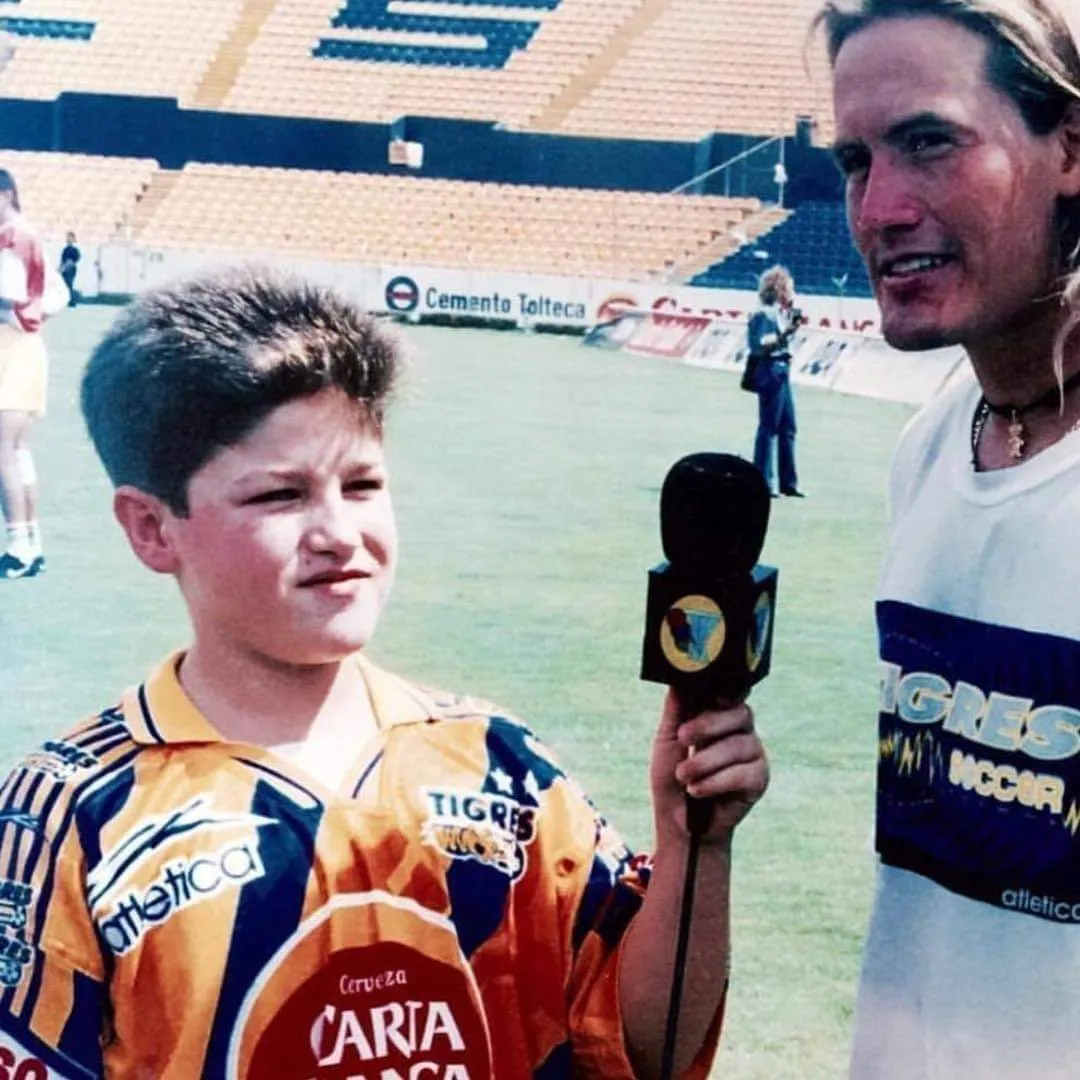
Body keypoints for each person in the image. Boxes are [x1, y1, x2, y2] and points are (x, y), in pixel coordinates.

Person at [0, 267, 768, 1078]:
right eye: (279, 496)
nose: (338, 532)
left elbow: (644, 1053)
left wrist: (694, 850)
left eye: (362, 485)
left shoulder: (501, 766)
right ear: (152, 528)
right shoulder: (68, 820)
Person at [816, 0, 1080, 1076]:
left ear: (1070, 148)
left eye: (931, 142)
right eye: (852, 161)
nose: (879, 207)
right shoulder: (933, 444)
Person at [0, 167, 47, 580]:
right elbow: (55, 297)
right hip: (27, 347)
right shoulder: (28, 233)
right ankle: (30, 542)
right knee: (18, 451)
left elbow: (10, 294)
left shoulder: (11, 236)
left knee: (4, 452)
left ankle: (17, 546)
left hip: (10, 348)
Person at [747, 265, 805, 497]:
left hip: (781, 370)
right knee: (769, 427)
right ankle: (763, 480)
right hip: (771, 370)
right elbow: (760, 345)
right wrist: (786, 335)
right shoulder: (764, 315)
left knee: (787, 426)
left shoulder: (778, 313)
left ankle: (788, 482)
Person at [59, 230, 80, 307]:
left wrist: (65, 267)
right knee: (65, 285)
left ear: (73, 239)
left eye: (70, 237)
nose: (68, 239)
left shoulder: (74, 249)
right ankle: (68, 300)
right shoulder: (65, 249)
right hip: (65, 268)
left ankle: (72, 301)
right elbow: (62, 260)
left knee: (69, 284)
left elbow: (73, 261)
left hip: (70, 269)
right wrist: (60, 268)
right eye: (67, 237)